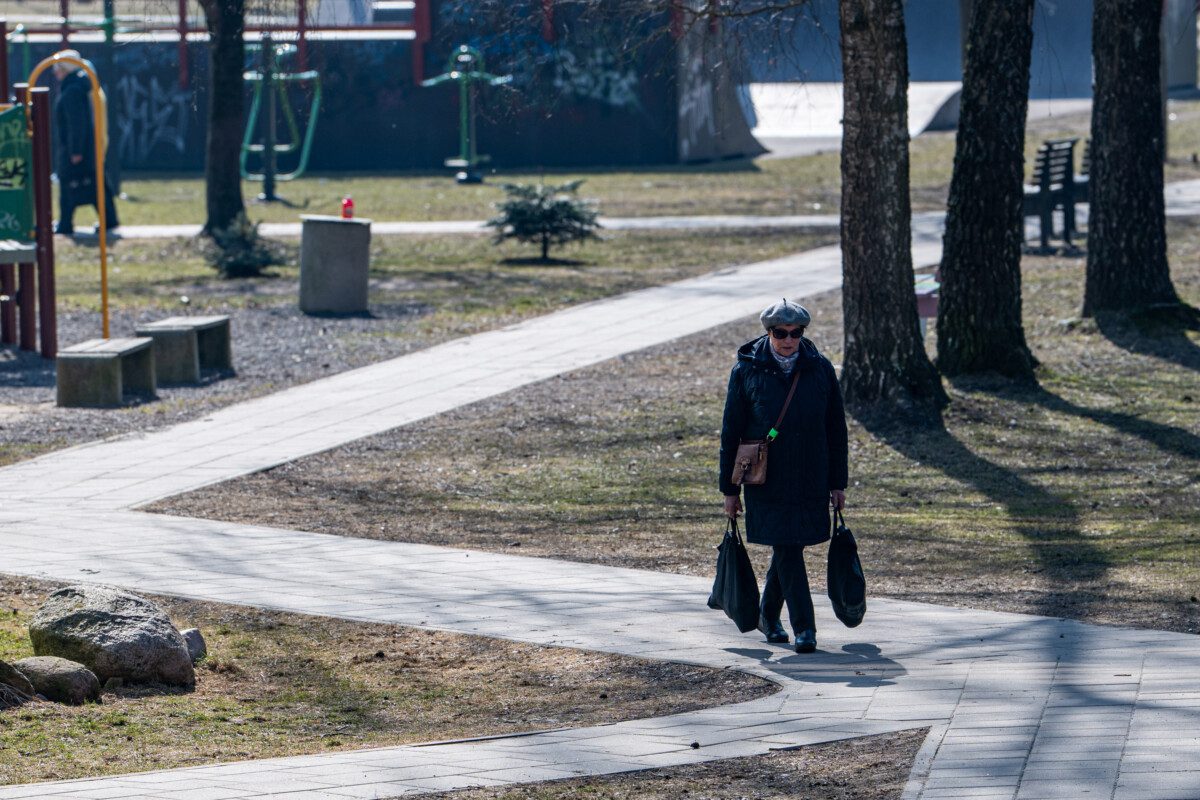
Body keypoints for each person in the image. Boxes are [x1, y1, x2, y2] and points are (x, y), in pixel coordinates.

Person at [718, 299, 848, 654]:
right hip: (766, 479)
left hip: (810, 475)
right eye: (781, 333)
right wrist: (729, 491)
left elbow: (836, 429)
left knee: (789, 545)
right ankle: (805, 627)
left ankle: (767, 616)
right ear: (768, 332)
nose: (789, 340)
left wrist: (838, 483)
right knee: (787, 547)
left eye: (796, 333)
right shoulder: (746, 370)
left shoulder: (820, 369)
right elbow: (731, 433)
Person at [53, 52, 119, 236]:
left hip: (78, 148)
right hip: (89, 147)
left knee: (68, 183)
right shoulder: (82, 85)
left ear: (66, 69)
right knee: (96, 182)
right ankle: (109, 219)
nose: (55, 72)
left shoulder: (72, 89)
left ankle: (66, 223)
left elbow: (77, 122)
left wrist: (76, 150)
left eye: (57, 68)